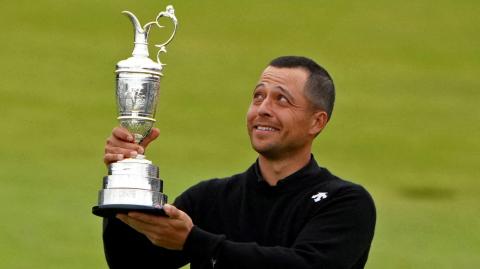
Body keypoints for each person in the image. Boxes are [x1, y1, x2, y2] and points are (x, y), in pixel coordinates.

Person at [102, 56, 376, 269]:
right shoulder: (212, 198)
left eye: (282, 99)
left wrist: (195, 241)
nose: (263, 109)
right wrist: (123, 179)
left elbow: (307, 265)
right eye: (258, 96)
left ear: (317, 122)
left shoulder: (345, 202)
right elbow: (132, 263)